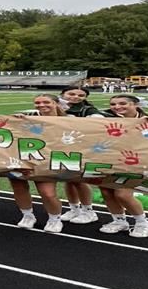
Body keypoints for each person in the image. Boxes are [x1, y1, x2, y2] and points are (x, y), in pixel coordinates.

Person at [97, 94, 148, 238]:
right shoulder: (106, 119)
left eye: (123, 103)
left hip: (134, 163)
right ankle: (119, 221)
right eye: (113, 104)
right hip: (109, 160)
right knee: (106, 192)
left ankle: (142, 222)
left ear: (135, 105)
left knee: (123, 194)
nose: (117, 107)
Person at [9, 95, 67, 233]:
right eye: (37, 102)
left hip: (49, 161)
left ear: (56, 103)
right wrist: (14, 120)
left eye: (46, 102)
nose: (41, 105)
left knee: (47, 193)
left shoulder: (69, 119)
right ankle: (27, 216)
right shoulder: (28, 116)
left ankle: (54, 218)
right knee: (19, 188)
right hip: (23, 158)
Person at [56, 87, 102, 225]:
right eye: (71, 94)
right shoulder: (54, 106)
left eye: (81, 95)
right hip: (60, 148)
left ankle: (88, 211)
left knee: (79, 180)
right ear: (62, 94)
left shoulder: (87, 110)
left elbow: (100, 122)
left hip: (80, 149)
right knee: (68, 180)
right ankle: (74, 209)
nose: (76, 97)